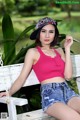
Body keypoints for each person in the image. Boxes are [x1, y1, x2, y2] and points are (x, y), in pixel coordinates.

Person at [0, 17, 80, 120]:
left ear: (55, 35)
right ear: (38, 33)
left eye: (51, 32)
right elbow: (22, 77)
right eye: (43, 31)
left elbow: (68, 76)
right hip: (50, 96)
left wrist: (67, 49)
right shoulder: (33, 52)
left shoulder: (59, 51)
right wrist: (9, 92)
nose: (47, 35)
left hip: (68, 91)